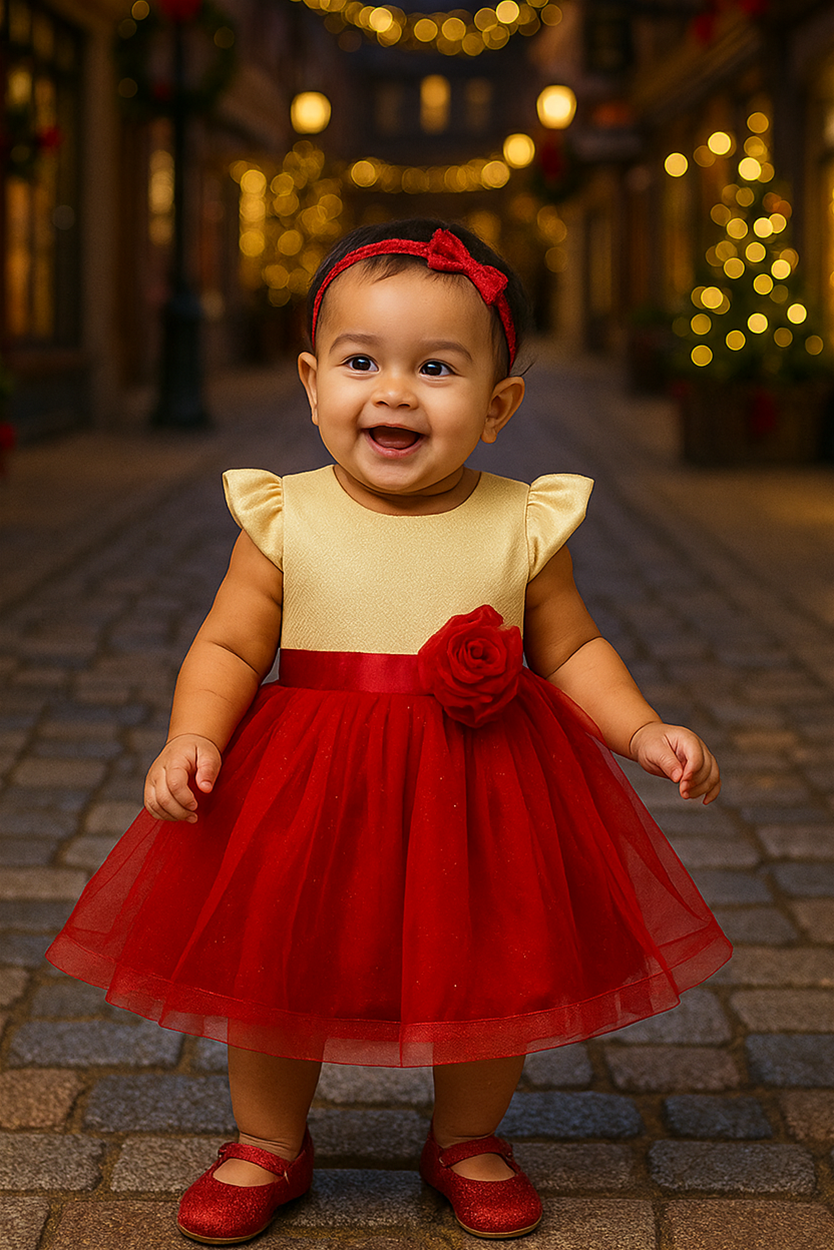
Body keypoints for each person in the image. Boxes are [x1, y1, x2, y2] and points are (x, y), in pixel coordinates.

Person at [47, 218, 731, 1244]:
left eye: (437, 367)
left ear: (499, 406)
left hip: (484, 782)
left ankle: (466, 1136)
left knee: (490, 960)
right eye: (362, 361)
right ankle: (268, 1139)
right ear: (312, 382)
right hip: (309, 782)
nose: (395, 390)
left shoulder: (522, 522)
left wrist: (639, 728)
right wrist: (193, 734)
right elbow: (231, 648)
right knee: (276, 962)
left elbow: (573, 646)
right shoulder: (286, 516)